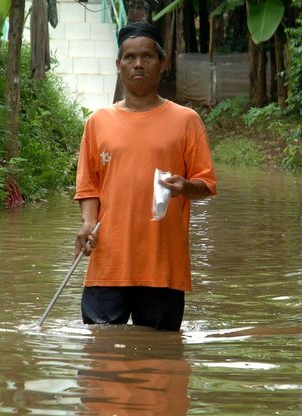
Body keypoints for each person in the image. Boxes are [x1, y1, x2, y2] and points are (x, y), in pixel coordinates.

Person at [73, 21, 217, 331]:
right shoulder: (98, 122)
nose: (138, 64)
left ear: (162, 64)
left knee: (159, 358)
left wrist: (185, 186)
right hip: (108, 263)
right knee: (100, 354)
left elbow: (205, 184)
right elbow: (88, 187)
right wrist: (87, 224)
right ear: (118, 65)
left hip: (163, 267)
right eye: (130, 57)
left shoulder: (186, 121)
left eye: (148, 57)